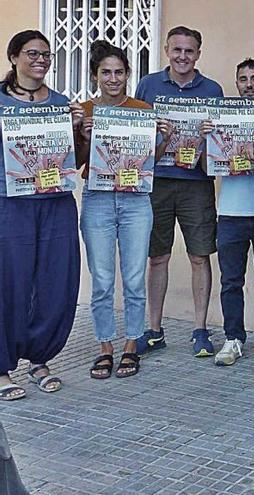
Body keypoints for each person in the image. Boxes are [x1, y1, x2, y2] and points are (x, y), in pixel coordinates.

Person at [0, 30, 84, 400]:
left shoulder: (62, 103)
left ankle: (39, 358)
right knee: (9, 283)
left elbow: (75, 160)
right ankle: (1, 368)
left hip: (55, 202)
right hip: (10, 203)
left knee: (55, 280)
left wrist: (80, 130)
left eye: (47, 54)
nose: (41, 60)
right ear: (14, 57)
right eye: (33, 53)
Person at [134, 26, 224, 357]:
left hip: (197, 183)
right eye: (177, 50)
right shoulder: (148, 85)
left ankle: (200, 330)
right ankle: (154, 330)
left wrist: (209, 136)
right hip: (156, 180)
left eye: (189, 51)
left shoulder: (213, 90)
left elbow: (223, 142)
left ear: (198, 54)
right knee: (158, 257)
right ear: (166, 51)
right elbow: (136, 130)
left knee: (200, 256)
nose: (182, 56)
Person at [75, 41, 159, 379]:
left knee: (136, 276)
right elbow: (75, 162)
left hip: (136, 198)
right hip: (97, 196)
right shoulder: (83, 110)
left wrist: (163, 138)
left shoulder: (142, 108)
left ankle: (131, 344)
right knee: (103, 278)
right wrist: (81, 134)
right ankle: (105, 346)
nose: (113, 78)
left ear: (128, 75)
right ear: (95, 75)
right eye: (106, 72)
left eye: (119, 72)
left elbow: (151, 160)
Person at [205, 59, 254, 366]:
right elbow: (207, 166)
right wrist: (209, 137)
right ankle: (233, 338)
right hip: (230, 212)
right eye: (243, 79)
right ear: (236, 83)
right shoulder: (220, 120)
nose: (249, 84)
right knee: (231, 280)